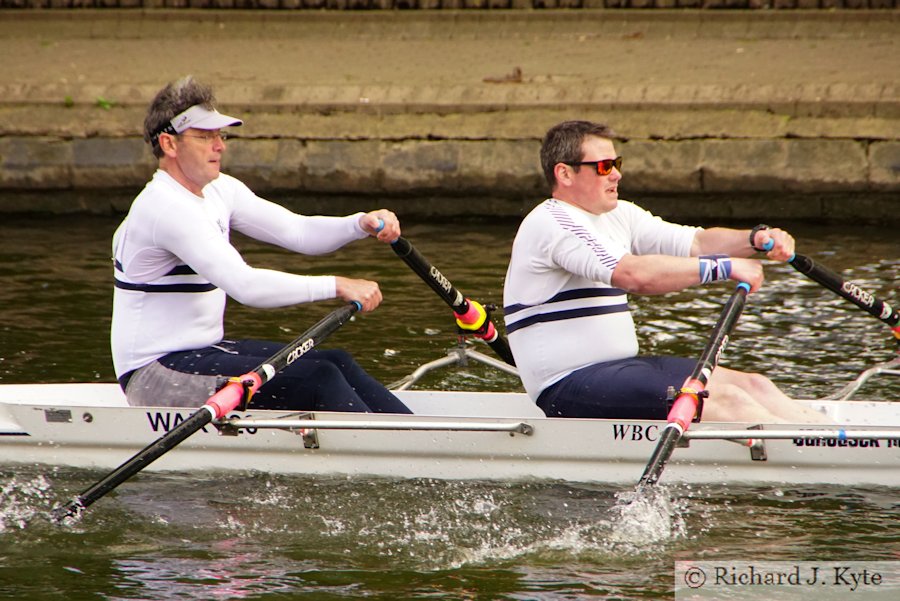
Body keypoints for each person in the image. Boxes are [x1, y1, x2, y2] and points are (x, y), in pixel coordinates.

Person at [111, 75, 411, 414]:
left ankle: (420, 440)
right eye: (205, 136)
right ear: (169, 144)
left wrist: (358, 224)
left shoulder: (219, 189)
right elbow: (246, 286)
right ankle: (398, 458)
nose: (220, 145)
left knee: (335, 360)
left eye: (220, 135)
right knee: (319, 377)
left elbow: (297, 231)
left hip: (204, 352)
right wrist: (337, 285)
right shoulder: (165, 208)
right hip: (155, 374)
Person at [502, 120, 827, 424]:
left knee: (755, 385)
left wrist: (755, 239)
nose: (616, 175)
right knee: (727, 400)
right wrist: (725, 268)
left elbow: (698, 242)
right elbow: (634, 275)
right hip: (567, 387)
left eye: (617, 164)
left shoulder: (619, 215)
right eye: (604, 167)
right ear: (565, 174)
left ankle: (830, 441)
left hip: (621, 371)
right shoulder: (553, 223)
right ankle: (812, 463)